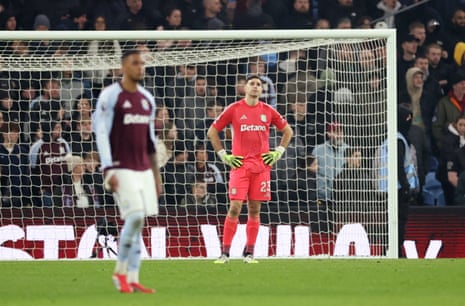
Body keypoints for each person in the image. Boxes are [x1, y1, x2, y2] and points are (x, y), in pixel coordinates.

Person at [93, 49, 162, 294]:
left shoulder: (146, 99)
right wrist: (107, 167)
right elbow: (101, 133)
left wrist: (156, 174)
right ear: (123, 66)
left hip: (143, 167)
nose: (140, 67)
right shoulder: (110, 97)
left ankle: (132, 277)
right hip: (120, 167)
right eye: (135, 63)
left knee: (139, 221)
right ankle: (120, 272)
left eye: (143, 63)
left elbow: (150, 141)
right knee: (134, 217)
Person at [207, 74, 293, 263]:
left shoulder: (268, 111)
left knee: (254, 209)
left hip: (261, 168)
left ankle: (249, 253)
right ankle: (225, 253)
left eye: (258, 84)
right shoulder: (234, 109)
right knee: (235, 207)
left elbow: (288, 131)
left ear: (262, 90)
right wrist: (223, 155)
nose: (255, 86)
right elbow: (212, 131)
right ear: (245, 88)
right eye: (252, 84)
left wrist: (278, 151)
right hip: (240, 167)